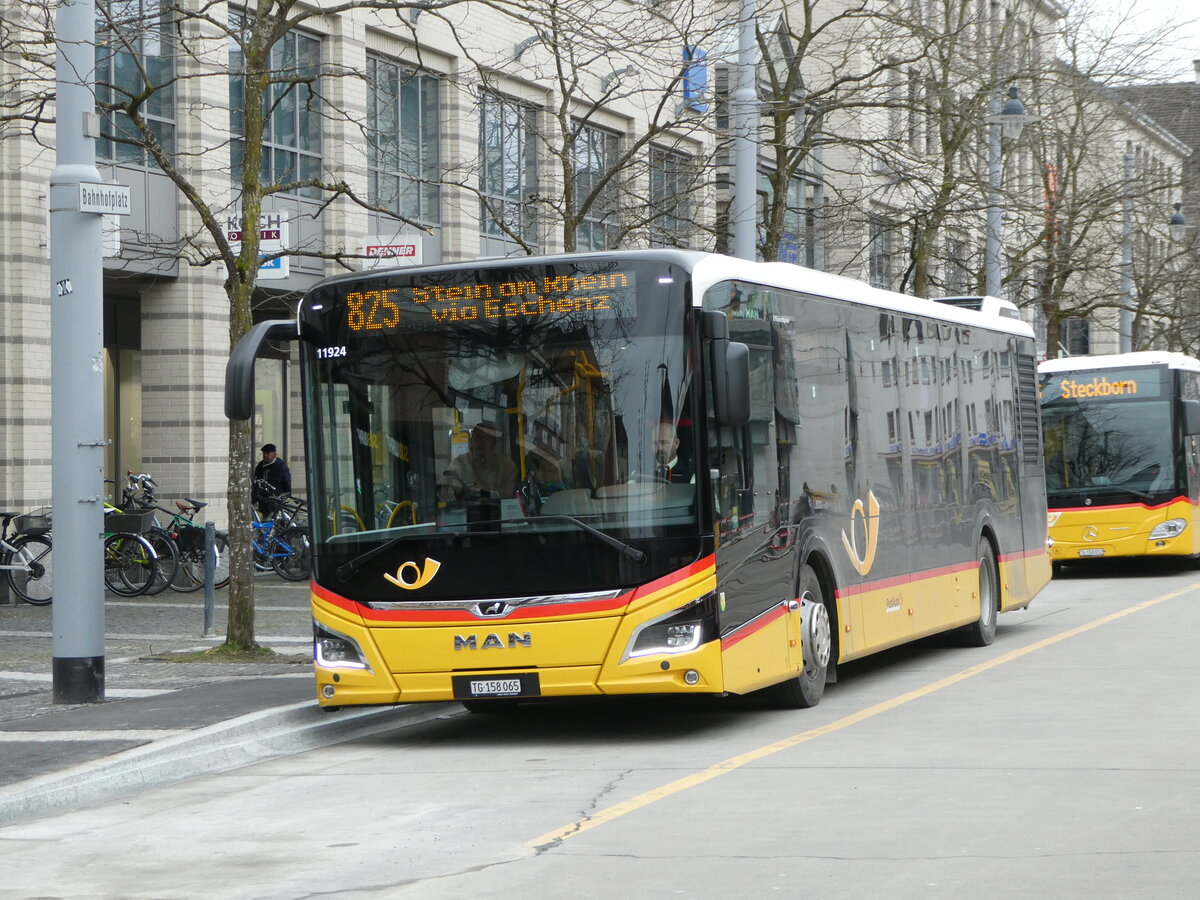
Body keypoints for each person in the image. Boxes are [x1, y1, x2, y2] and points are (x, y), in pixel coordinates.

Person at [441, 422, 518, 499]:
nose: (481, 442)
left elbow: (511, 494)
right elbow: (448, 485)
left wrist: (487, 493)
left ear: (494, 443)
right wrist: (458, 490)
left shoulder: (507, 466)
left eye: (486, 438)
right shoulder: (460, 462)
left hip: (498, 509)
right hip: (466, 509)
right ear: (471, 441)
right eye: (478, 438)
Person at [254, 443, 292, 517]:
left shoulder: (280, 467)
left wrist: (286, 496)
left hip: (276, 500)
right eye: (264, 453)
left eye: (268, 453)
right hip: (264, 502)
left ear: (274, 454)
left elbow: (287, 483)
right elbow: (256, 482)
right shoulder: (260, 467)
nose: (265, 455)